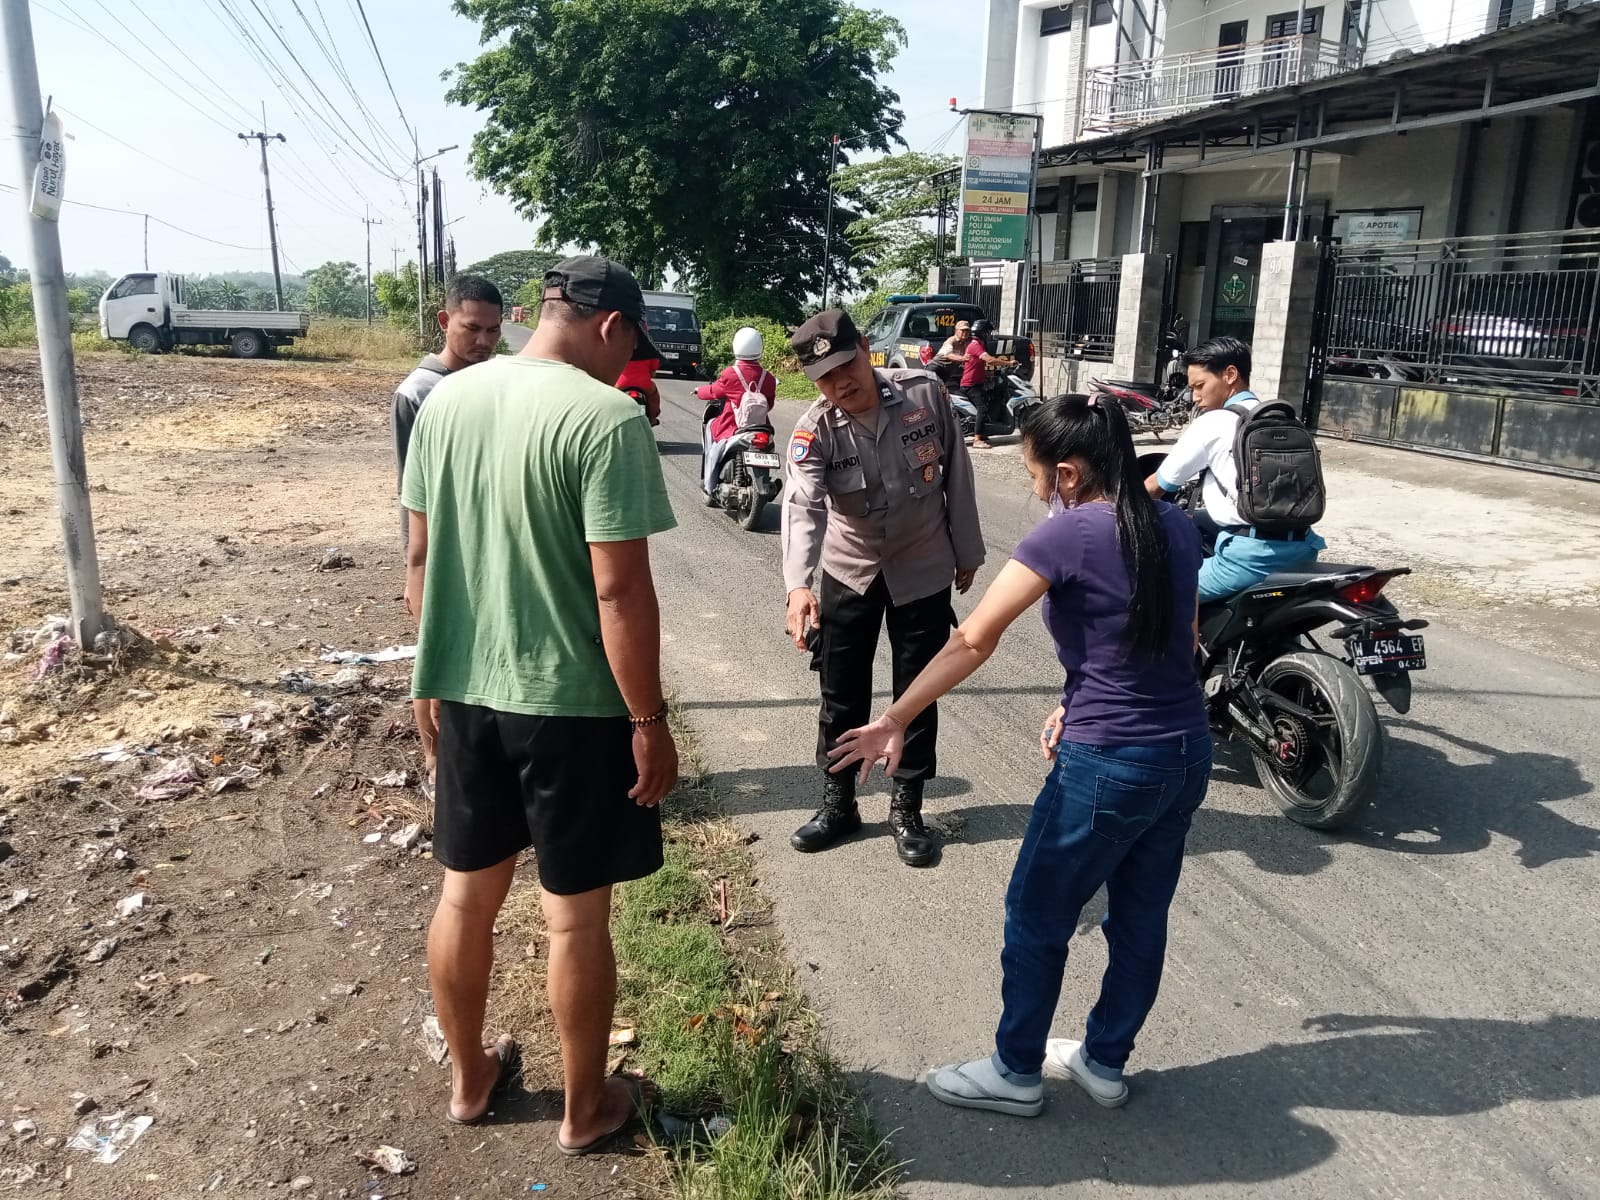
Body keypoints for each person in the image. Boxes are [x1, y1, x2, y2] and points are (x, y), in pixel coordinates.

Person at [830, 392, 1211, 1118]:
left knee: (1037, 913)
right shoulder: (1175, 523)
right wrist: (1079, 696)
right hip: (1184, 751)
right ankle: (1104, 1061)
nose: (1033, 486)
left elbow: (972, 638)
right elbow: (1179, 640)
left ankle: (1015, 1070)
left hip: (1109, 763)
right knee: (1140, 916)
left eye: (1036, 473)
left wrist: (895, 717)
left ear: (1067, 473)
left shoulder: (1065, 537)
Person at [401, 255, 677, 1152]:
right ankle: (582, 1109)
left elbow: (419, 561)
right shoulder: (604, 418)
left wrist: (429, 674)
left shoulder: (446, 401)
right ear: (612, 326)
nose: (628, 365)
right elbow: (621, 593)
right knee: (575, 916)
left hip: (466, 693)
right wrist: (649, 720)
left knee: (465, 899)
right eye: (631, 345)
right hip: (572, 704)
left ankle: (471, 1080)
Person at [780, 309, 984, 867]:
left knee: (916, 690)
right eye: (824, 376)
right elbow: (803, 508)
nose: (839, 383)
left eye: (846, 365)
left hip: (923, 567)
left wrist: (967, 551)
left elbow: (958, 473)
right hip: (852, 570)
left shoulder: (925, 395)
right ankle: (839, 801)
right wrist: (798, 585)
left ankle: (907, 807)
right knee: (840, 691)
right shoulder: (814, 429)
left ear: (865, 348)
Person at [391, 274, 504, 789]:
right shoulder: (419, 392)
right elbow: (414, 490)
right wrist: (419, 567)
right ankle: (437, 762)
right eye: (472, 328)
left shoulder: (493, 381)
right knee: (436, 658)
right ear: (445, 322)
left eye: (493, 331)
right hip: (438, 545)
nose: (483, 341)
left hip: (489, 543)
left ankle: (477, 761)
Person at [1143, 336, 1326, 601]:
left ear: (1230, 374)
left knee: (1155, 592)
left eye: (1199, 386)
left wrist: (1112, 511)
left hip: (1249, 559)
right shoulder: (1284, 418)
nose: (1195, 397)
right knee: (1201, 520)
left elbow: (1156, 486)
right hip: (1303, 547)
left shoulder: (1213, 423)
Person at [697, 325, 778, 501]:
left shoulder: (730, 374)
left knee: (711, 426)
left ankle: (709, 484)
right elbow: (769, 404)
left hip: (731, 426)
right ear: (760, 347)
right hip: (762, 426)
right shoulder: (769, 377)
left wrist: (698, 391)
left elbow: (714, 392)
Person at [960, 318, 1007, 450]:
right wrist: (1008, 363)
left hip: (977, 383)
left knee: (989, 401)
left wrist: (990, 375)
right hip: (970, 385)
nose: (989, 335)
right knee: (982, 408)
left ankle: (984, 432)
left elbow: (976, 366)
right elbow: (989, 359)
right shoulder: (975, 345)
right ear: (983, 333)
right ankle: (977, 439)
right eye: (988, 332)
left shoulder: (977, 344)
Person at [613, 337, 661, 426]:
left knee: (611, 398)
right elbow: (653, 373)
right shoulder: (650, 349)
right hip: (644, 383)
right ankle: (652, 418)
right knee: (653, 397)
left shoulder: (620, 346)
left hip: (621, 383)